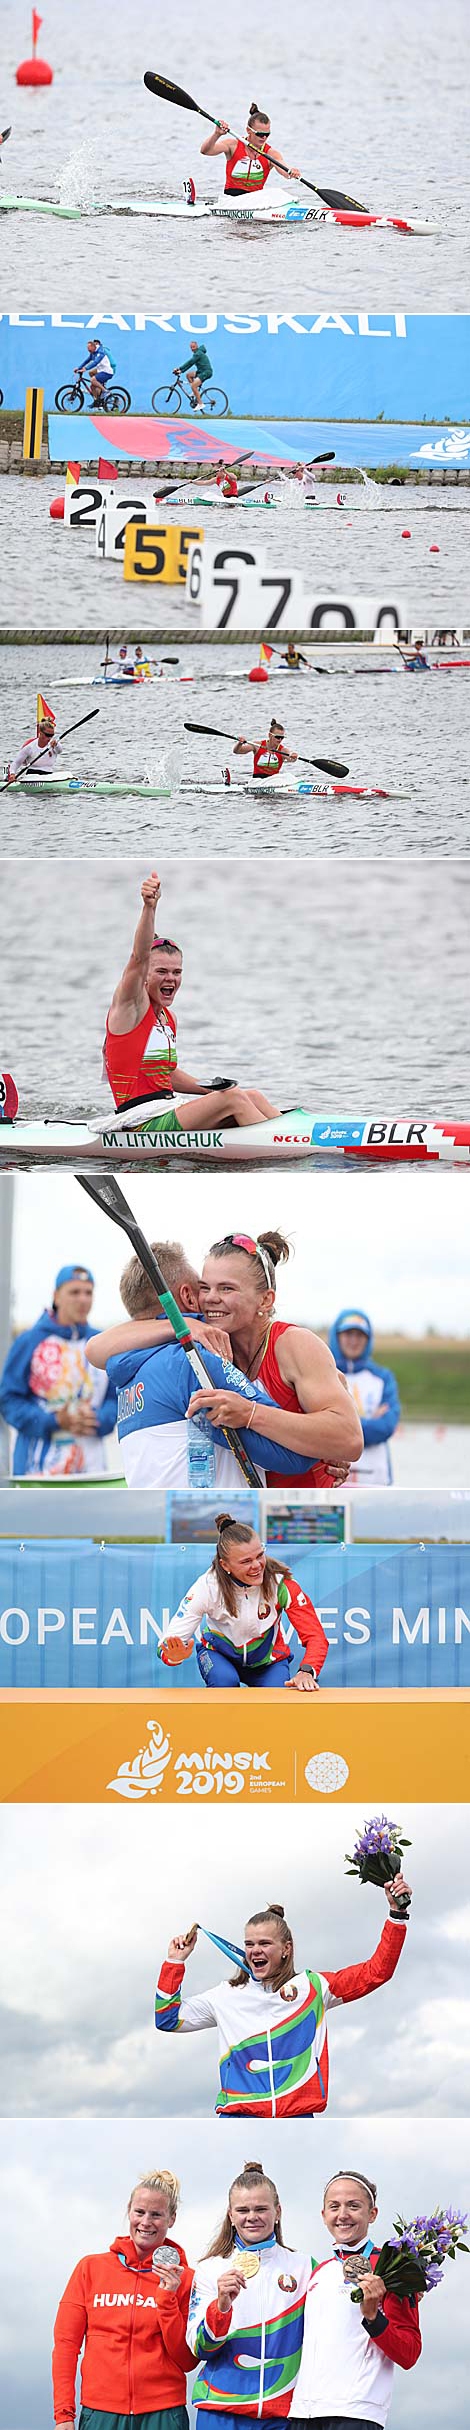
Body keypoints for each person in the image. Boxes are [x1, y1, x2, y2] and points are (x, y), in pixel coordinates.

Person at [86, 1230, 362, 1487]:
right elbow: (97, 1350)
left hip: (307, 1517)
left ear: (265, 1301)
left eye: (226, 1289)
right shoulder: (211, 1346)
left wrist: (251, 1414)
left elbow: (349, 1439)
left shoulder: (294, 1344)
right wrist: (182, 1325)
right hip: (252, 1525)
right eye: (205, 1288)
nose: (210, 1299)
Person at [154, 1881, 412, 2117]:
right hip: (238, 2116)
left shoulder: (314, 1987)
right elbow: (167, 2019)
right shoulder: (225, 1996)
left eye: (265, 1943)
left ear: (286, 1949)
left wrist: (397, 1916)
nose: (255, 1950)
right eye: (249, 1944)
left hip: (298, 2117)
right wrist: (174, 1963)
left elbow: (377, 1972)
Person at [103, 870, 279, 1133]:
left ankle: (293, 1135)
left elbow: (166, 1075)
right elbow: (138, 958)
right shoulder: (129, 1007)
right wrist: (149, 907)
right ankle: (284, 1146)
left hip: (167, 1108)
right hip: (139, 1123)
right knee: (233, 1100)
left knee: (249, 1095)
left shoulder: (168, 1019)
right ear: (144, 977)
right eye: (161, 972)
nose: (171, 979)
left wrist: (211, 1087)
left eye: (177, 972)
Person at [52, 2165, 193, 2430]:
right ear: (128, 2211)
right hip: (100, 2413)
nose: (146, 2222)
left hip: (163, 2414)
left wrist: (167, 2298)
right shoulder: (90, 2269)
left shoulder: (185, 2279)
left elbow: (187, 2360)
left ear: (172, 2218)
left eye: (157, 2215)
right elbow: (65, 2345)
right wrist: (64, 2416)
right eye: (139, 2212)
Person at [289, 2168, 422, 2429]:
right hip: (303, 2412)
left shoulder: (393, 2268)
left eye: (353, 2206)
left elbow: (409, 2352)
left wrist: (373, 2317)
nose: (343, 2215)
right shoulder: (319, 2272)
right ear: (323, 2215)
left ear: (372, 2213)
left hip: (357, 2413)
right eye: (334, 2206)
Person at [187, 2159, 312, 2415]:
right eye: (243, 2210)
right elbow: (200, 2349)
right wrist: (220, 2307)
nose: (252, 2217)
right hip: (221, 2410)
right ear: (231, 2216)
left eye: (261, 2209)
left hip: (283, 2412)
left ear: (278, 2212)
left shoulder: (305, 2268)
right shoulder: (210, 2269)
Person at [158, 1509, 330, 1689]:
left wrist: (307, 1670)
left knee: (276, 1704)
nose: (257, 1566)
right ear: (225, 1565)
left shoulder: (281, 1584)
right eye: (246, 1561)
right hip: (219, 1657)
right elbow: (167, 1644)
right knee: (224, 1683)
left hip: (268, 1663)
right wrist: (173, 1656)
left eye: (260, 1555)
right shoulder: (206, 1587)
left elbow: (316, 1636)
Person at [0, 1263, 116, 1476]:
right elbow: (9, 1400)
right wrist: (52, 1421)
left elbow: (116, 1399)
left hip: (92, 1471)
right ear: (56, 1296)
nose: (83, 1299)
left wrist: (97, 1420)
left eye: (88, 1292)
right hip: (37, 1471)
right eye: (74, 1292)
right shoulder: (29, 1341)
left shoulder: (102, 1342)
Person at [329, 1310, 401, 1486]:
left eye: (360, 1335)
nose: (354, 1341)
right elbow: (313, 1425)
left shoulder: (383, 1378)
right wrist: (368, 1422)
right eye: (348, 1334)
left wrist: (337, 1424)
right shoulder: (324, 1374)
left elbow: (386, 1426)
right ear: (337, 1336)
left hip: (375, 1477)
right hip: (333, 1475)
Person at [201, 102, 300, 197]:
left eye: (267, 134)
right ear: (248, 130)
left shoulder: (271, 154)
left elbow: (284, 170)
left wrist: (291, 171)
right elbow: (205, 151)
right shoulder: (233, 145)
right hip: (231, 199)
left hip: (254, 201)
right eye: (260, 134)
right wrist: (217, 134)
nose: (264, 138)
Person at [5, 695, 61, 782]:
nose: (50, 738)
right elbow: (17, 762)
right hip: (32, 776)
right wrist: (12, 774)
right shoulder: (30, 747)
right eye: (47, 735)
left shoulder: (54, 744)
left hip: (49, 776)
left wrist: (56, 745)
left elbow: (60, 751)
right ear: (41, 733)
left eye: (52, 735)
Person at [232, 720, 298, 779]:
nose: (280, 740)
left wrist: (294, 756)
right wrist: (239, 744)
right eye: (277, 737)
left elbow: (291, 759)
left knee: (288, 776)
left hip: (273, 780)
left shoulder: (283, 750)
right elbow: (237, 751)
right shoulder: (257, 745)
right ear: (270, 735)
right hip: (257, 780)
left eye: (282, 737)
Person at [173, 338, 214, 410]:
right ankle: (195, 392)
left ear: (197, 346)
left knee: (194, 386)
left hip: (206, 372)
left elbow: (190, 362)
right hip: (201, 371)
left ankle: (200, 404)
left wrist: (180, 369)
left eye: (193, 347)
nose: (192, 349)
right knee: (188, 375)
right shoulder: (197, 353)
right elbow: (190, 363)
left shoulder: (198, 354)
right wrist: (181, 370)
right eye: (191, 347)